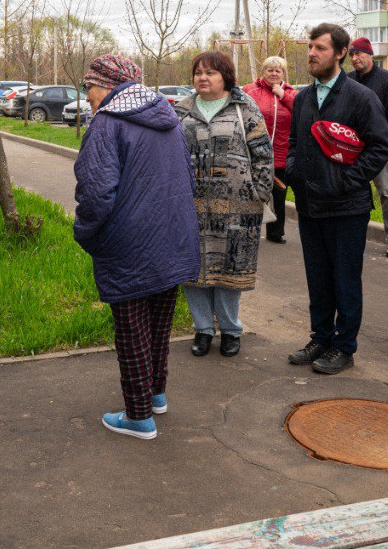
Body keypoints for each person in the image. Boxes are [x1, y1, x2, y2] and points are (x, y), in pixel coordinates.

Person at [72, 54, 200, 439]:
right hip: (173, 238)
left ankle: (138, 415)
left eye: (89, 87)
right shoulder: (167, 117)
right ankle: (155, 393)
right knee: (159, 323)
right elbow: (188, 177)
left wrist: (86, 233)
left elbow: (96, 193)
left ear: (106, 85)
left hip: (128, 244)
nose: (88, 96)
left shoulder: (108, 124)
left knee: (131, 330)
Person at [284, 24, 388, 374]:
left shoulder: (361, 97)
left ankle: (344, 347)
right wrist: (294, 171)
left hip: (347, 207)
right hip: (310, 204)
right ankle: (320, 337)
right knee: (317, 277)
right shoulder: (302, 97)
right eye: (310, 48)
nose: (312, 54)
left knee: (345, 278)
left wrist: (347, 180)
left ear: (341, 53)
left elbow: (380, 147)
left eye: (320, 48)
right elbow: (294, 145)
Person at [173, 51, 275, 359]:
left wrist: (259, 193)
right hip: (191, 207)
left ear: (225, 77)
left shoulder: (245, 109)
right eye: (198, 72)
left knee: (230, 270)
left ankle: (231, 330)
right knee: (195, 270)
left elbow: (263, 155)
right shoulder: (181, 111)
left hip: (237, 208)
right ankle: (203, 329)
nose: (203, 78)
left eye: (211, 73)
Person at [349, 36, 388, 257]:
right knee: (353, 193)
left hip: (379, 148)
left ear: (370, 54)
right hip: (352, 149)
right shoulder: (347, 80)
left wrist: (375, 139)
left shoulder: (387, 80)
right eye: (352, 54)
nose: (356, 58)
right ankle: (353, 236)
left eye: (360, 53)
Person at [243, 56, 297, 244]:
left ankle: (276, 233)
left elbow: (302, 113)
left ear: (283, 73)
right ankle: (247, 231)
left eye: (278, 70)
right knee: (252, 193)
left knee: (279, 196)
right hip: (254, 153)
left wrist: (283, 95)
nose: (274, 73)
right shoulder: (251, 90)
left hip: (282, 153)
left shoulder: (291, 93)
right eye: (270, 70)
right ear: (263, 72)